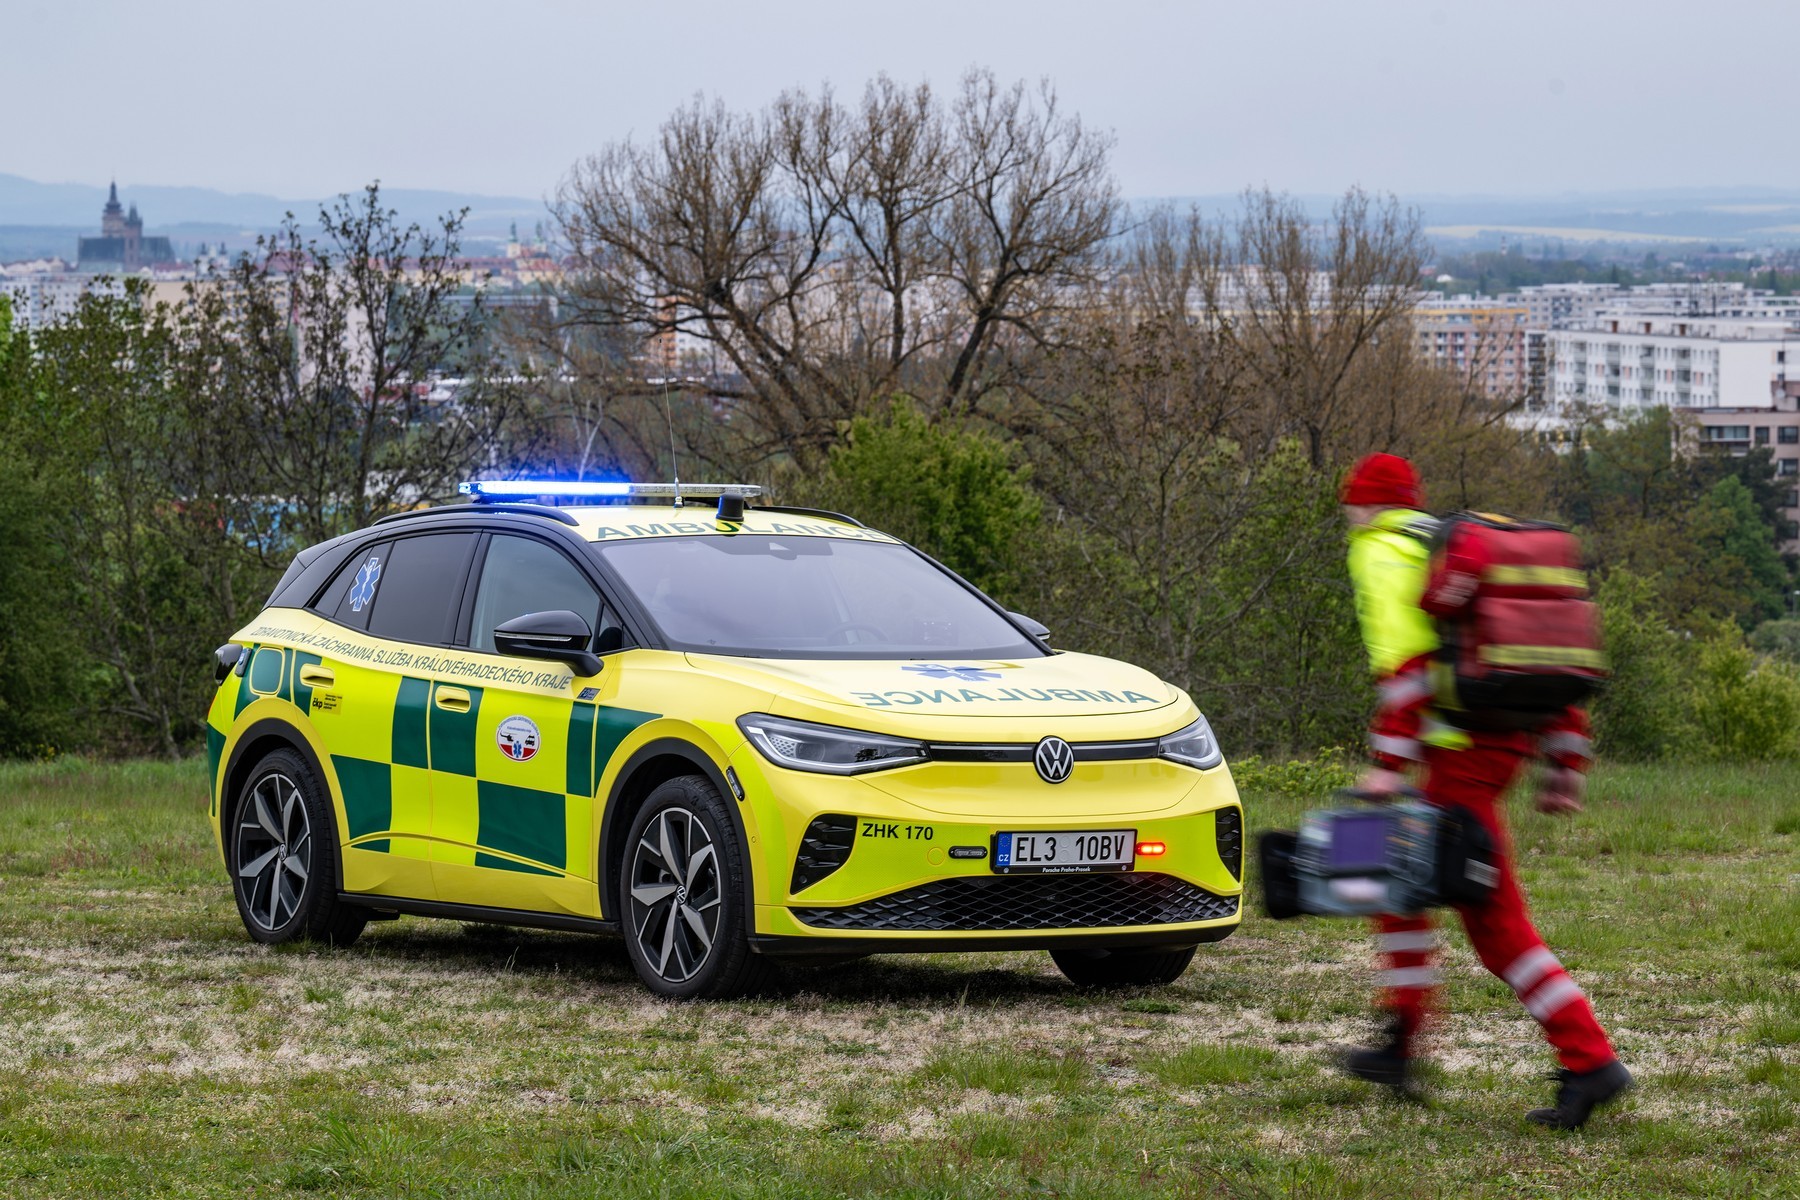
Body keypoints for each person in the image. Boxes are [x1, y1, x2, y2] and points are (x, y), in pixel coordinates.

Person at [1337, 452, 1631, 1130]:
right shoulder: (1442, 541)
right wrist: (1566, 758)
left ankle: (1591, 1063)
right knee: (1395, 881)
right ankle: (1401, 1041)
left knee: (1497, 928)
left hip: (1459, 759)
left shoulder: (1380, 553)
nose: (1347, 513)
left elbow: (1408, 668)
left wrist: (1388, 763)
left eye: (1350, 501)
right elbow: (1530, 650)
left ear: (1364, 504)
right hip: (1492, 747)